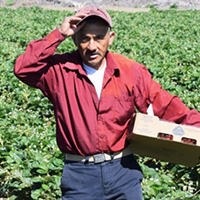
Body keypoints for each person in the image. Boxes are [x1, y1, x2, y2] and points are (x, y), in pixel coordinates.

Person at [14, 5, 200, 200]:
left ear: (110, 38)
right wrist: (59, 34)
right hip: (80, 176)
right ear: (75, 39)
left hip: (123, 171)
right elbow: (23, 69)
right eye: (85, 38)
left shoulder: (129, 71)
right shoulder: (58, 71)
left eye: (99, 37)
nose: (92, 46)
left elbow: (165, 105)